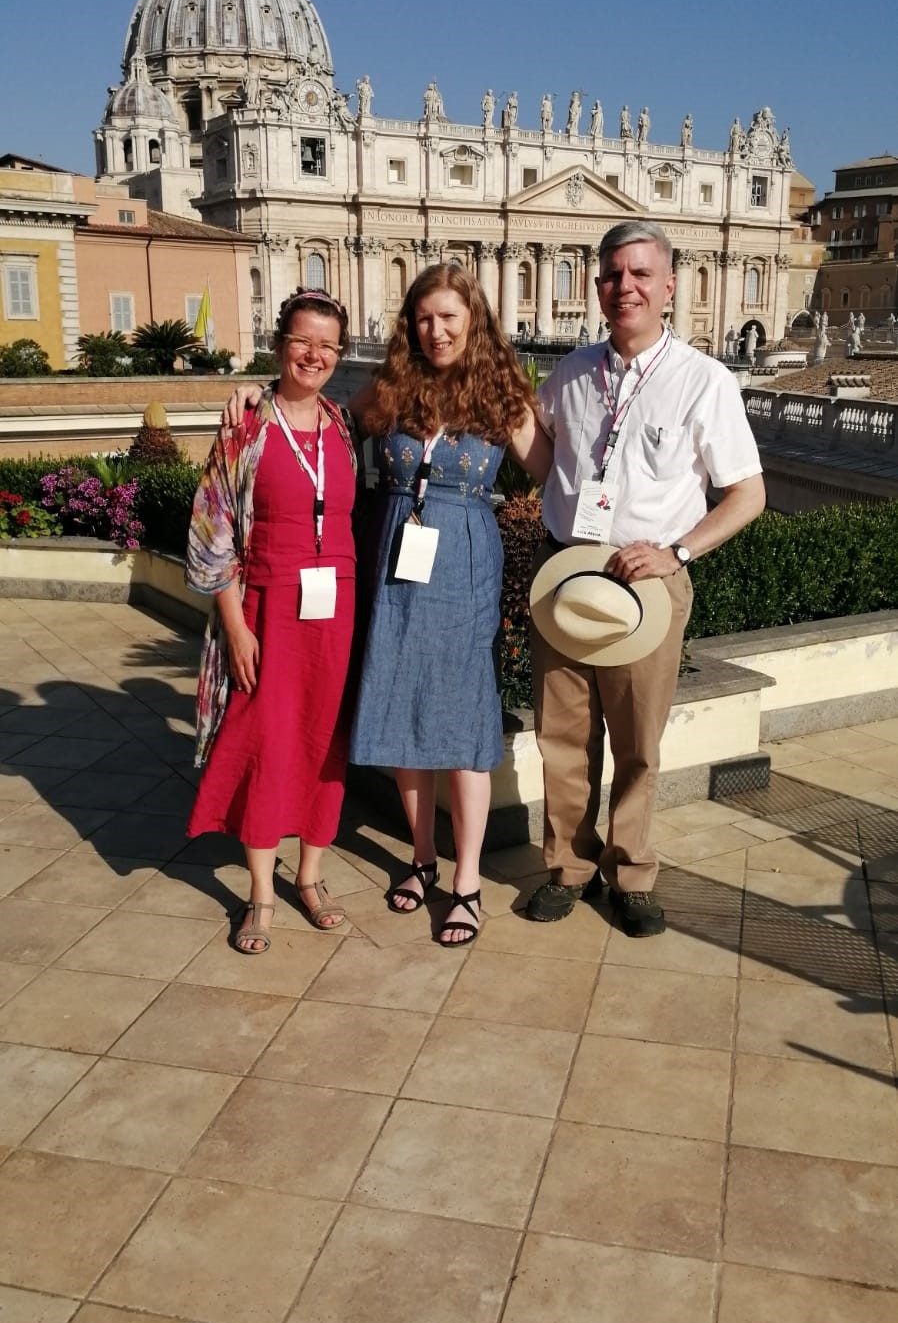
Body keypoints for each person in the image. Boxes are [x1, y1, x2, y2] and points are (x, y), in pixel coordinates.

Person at [223, 265, 552, 948]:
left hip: (462, 563)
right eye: (424, 319)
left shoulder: (503, 394)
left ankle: (467, 883)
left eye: (449, 318)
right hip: (391, 559)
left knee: (463, 722)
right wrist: (255, 397)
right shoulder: (390, 388)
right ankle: (421, 859)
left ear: (474, 321)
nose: (436, 331)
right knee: (402, 706)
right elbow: (319, 418)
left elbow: (553, 469)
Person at [525, 220, 765, 936]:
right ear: (598, 286)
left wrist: (678, 552)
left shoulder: (703, 380)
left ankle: (629, 873)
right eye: (610, 275)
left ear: (667, 286)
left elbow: (747, 494)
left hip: (645, 583)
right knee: (562, 736)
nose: (622, 287)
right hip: (565, 572)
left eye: (637, 275)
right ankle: (568, 867)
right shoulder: (570, 374)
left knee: (638, 743)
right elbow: (548, 463)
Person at [187, 290, 363, 952]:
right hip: (266, 608)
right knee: (264, 740)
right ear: (279, 343)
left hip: (337, 613)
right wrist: (236, 627)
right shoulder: (248, 424)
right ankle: (261, 891)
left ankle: (310, 875)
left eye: (328, 345)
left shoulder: (344, 423)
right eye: (302, 340)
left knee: (325, 742)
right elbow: (213, 532)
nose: (314, 354)